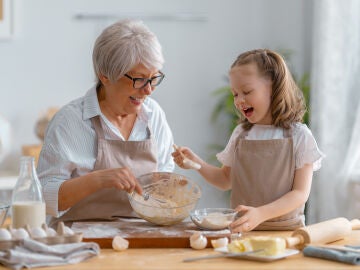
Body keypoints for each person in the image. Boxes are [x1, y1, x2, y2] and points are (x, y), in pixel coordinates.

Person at [37, 19, 175, 227]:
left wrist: (169, 186)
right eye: (138, 79)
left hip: (141, 235)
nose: (148, 90)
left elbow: (164, 177)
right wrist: (98, 180)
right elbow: (44, 199)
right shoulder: (70, 122)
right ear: (105, 76)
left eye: (154, 78)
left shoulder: (153, 114)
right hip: (78, 240)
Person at [173, 49, 324, 232]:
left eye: (247, 91)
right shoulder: (241, 134)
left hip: (286, 232)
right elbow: (225, 179)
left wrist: (261, 214)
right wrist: (195, 163)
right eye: (235, 94)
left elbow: (300, 194)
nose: (239, 100)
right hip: (242, 231)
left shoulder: (299, 135)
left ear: (274, 87)